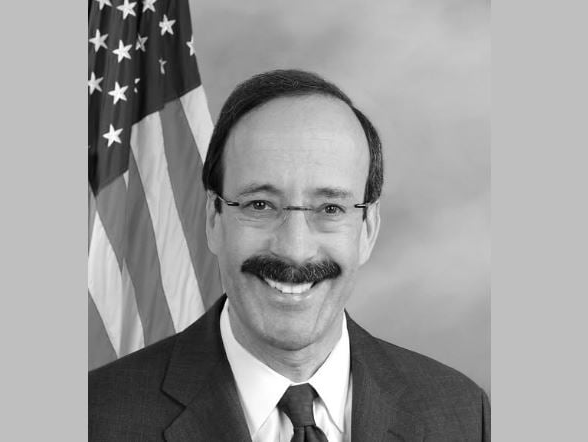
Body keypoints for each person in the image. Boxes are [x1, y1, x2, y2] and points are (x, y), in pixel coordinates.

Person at [89, 69, 490, 441]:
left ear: (367, 228)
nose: (294, 250)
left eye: (330, 208)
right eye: (260, 205)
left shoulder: (461, 414)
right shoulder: (96, 419)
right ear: (213, 217)